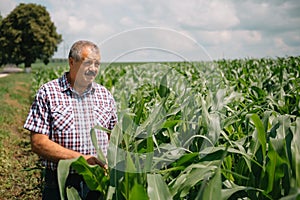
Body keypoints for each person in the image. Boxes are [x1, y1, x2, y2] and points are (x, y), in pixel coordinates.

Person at [24, 40, 118, 199]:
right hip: (61, 180)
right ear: (71, 62)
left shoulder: (105, 95)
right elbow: (38, 142)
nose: (93, 69)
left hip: (98, 182)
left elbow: (114, 137)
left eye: (97, 64)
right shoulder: (49, 92)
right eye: (88, 63)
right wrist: (82, 160)